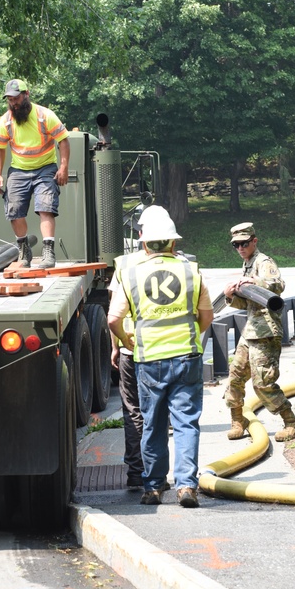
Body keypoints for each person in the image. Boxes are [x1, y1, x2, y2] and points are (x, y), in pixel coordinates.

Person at [107, 210, 214, 508]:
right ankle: (186, 486)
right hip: (186, 358)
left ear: (144, 244)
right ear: (172, 243)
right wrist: (191, 333)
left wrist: (125, 339)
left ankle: (154, 488)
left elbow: (113, 318)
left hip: (149, 360)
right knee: (186, 423)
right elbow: (207, 317)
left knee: (152, 424)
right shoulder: (191, 271)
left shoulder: (129, 274)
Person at [108, 205, 172, 489]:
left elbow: (114, 312)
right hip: (163, 350)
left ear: (139, 234)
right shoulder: (178, 264)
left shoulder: (124, 264)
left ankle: (136, 472)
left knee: (132, 410)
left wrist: (117, 345)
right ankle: (157, 475)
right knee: (158, 411)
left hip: (130, 348)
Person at [222, 222, 295, 442]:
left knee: (263, 382)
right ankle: (238, 420)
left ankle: (292, 422)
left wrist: (254, 280)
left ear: (254, 241)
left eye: (244, 243)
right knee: (235, 377)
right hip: (251, 332)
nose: (240, 248)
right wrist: (230, 295)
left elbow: (276, 287)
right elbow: (247, 304)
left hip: (265, 332)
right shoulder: (247, 264)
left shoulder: (264, 262)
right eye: (236, 245)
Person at [0, 79, 70, 269]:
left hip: (45, 167)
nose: (13, 103)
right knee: (14, 210)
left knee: (46, 207)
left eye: (16, 98)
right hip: (19, 169)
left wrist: (63, 167)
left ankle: (48, 252)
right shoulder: (6, 120)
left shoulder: (45, 116)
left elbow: (63, 140)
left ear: (26, 95)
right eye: (9, 99)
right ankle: (24, 250)